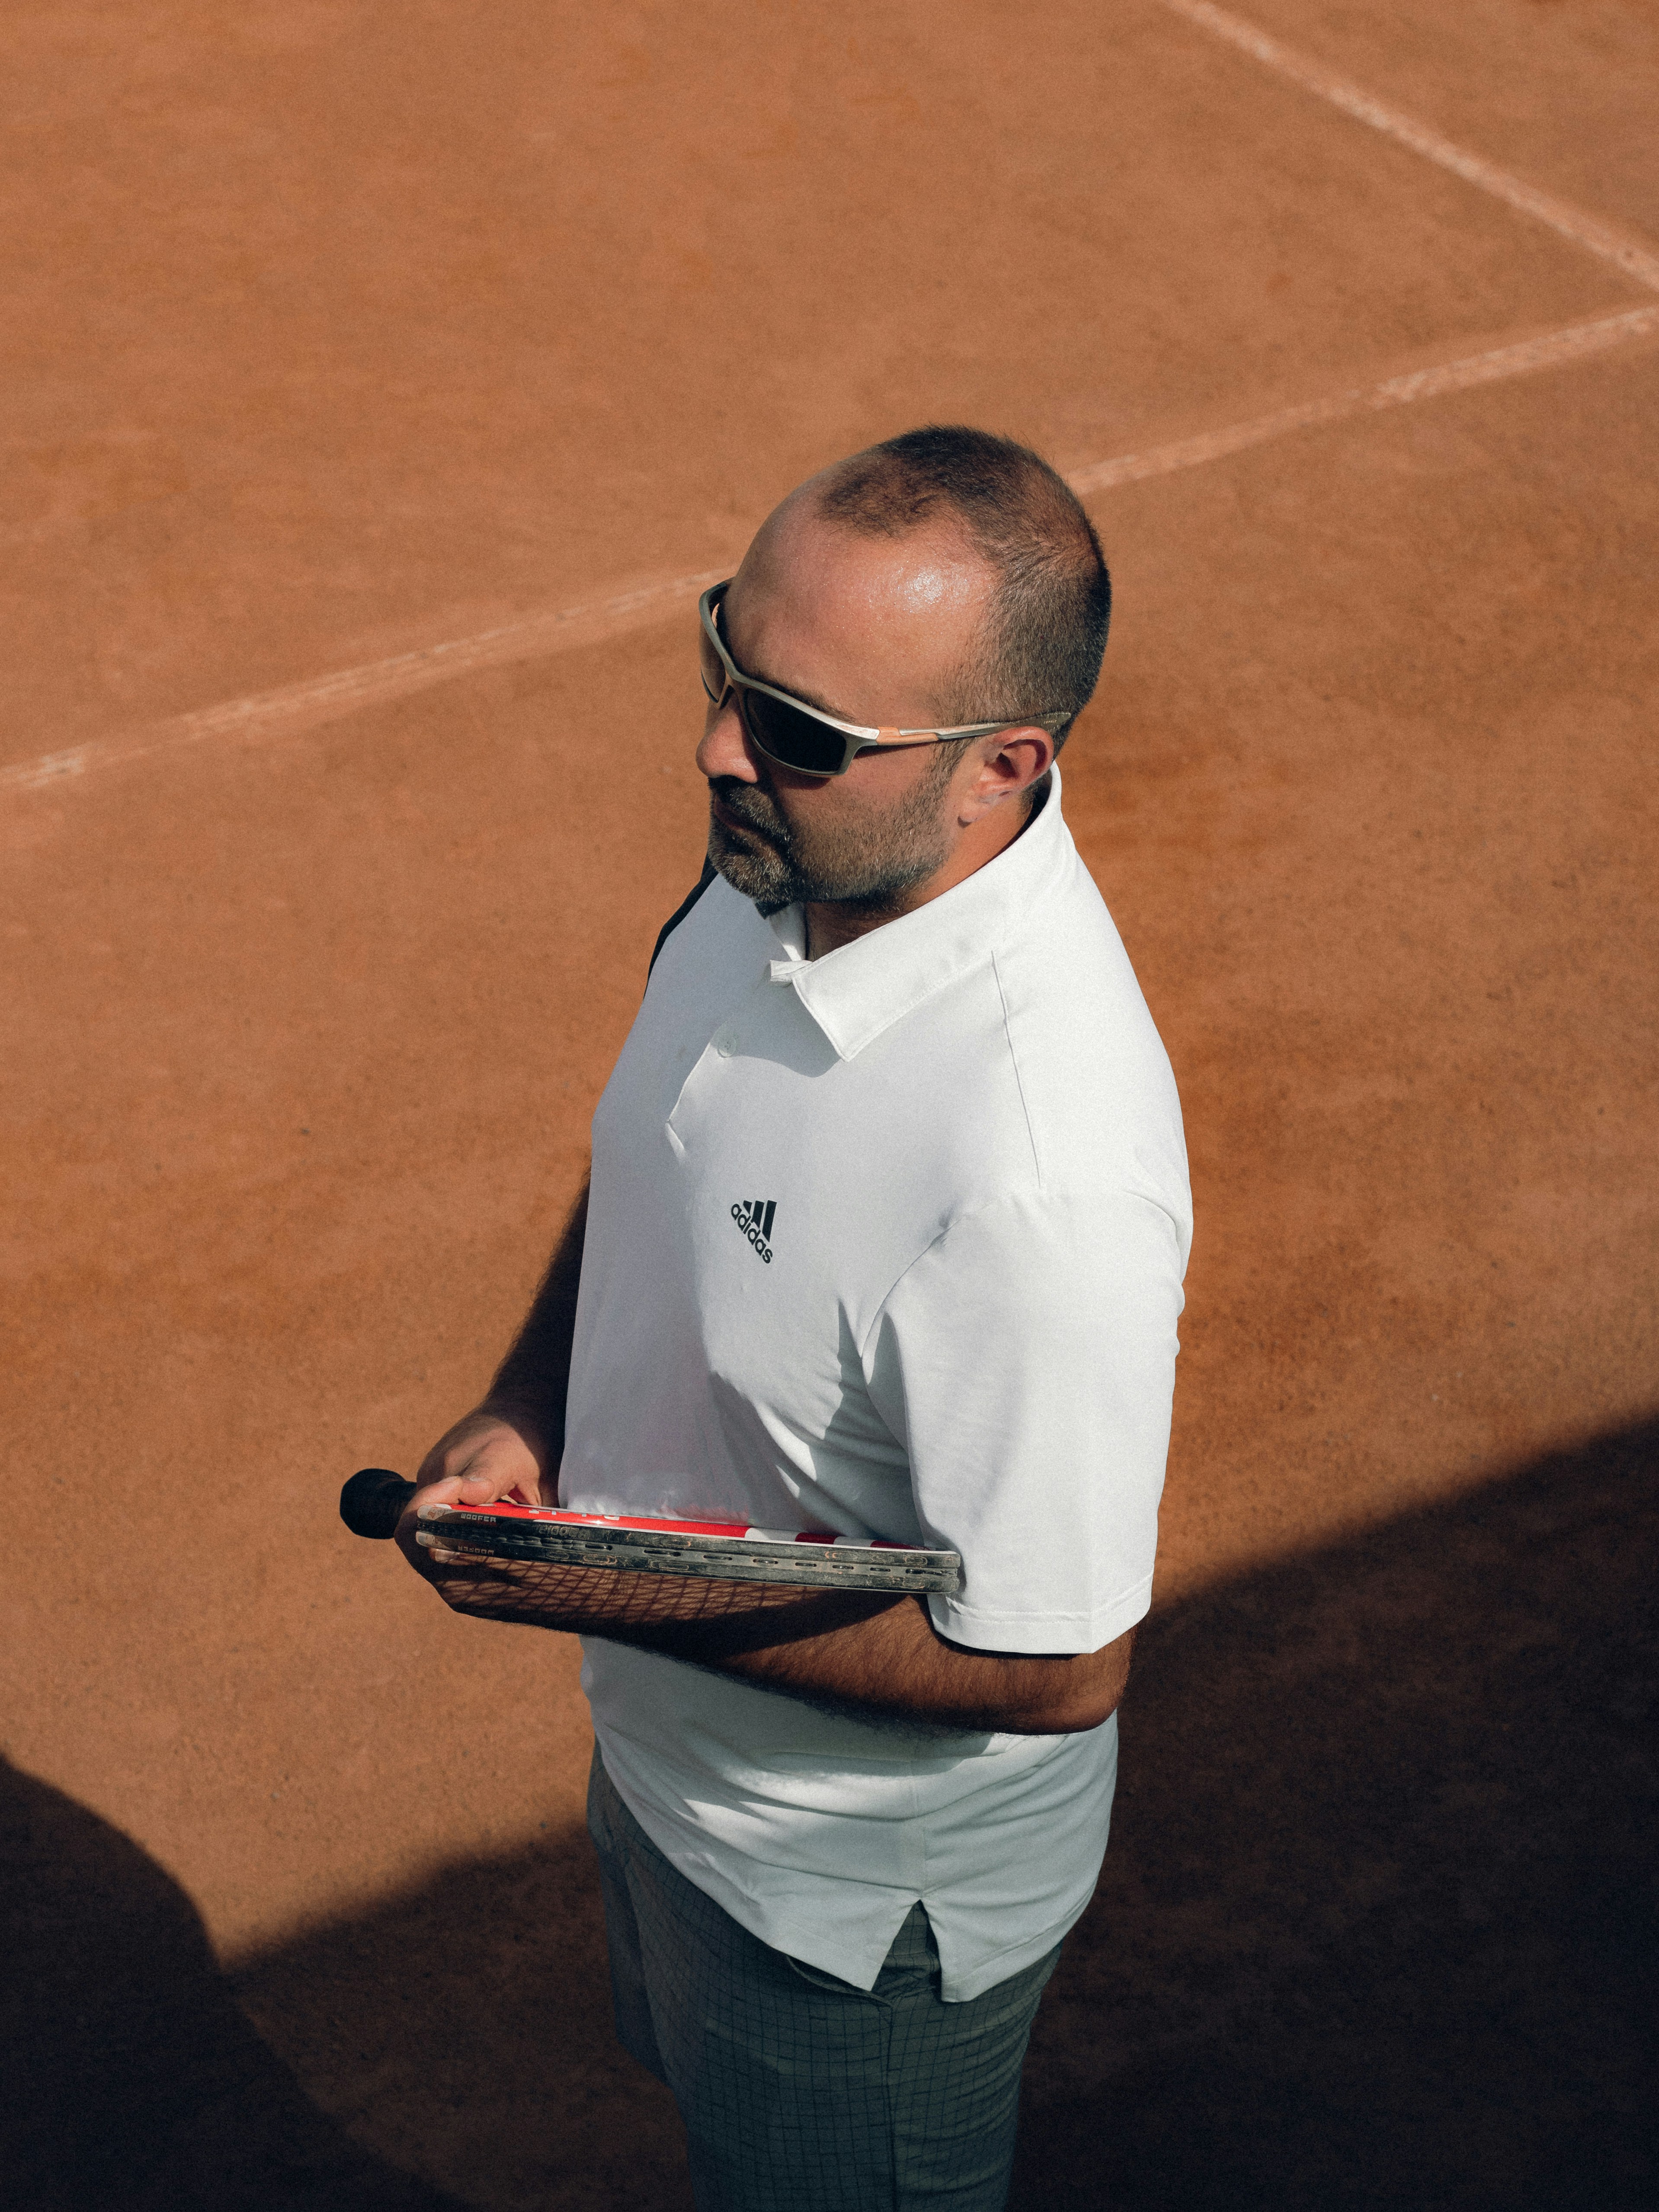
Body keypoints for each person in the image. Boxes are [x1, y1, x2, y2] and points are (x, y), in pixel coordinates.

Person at [396, 426, 1191, 2210]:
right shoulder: (786, 866)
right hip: (671, 1771)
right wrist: (532, 1403)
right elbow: (669, 1147)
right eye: (721, 662)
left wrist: (586, 1582)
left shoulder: (1038, 1179)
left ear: (998, 767)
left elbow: (1053, 1664)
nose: (716, 745)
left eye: (797, 728)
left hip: (840, 1922)